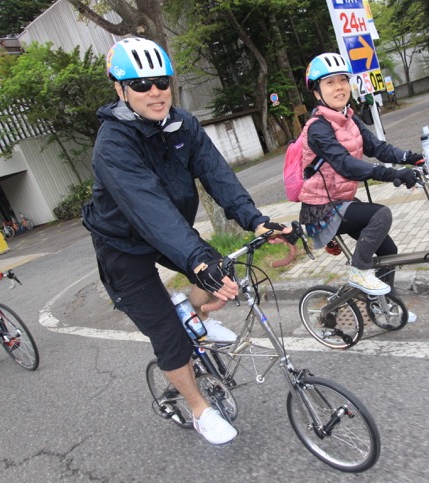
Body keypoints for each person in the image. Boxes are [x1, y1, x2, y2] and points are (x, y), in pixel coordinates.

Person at [81, 38, 286, 446]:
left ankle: (194, 313)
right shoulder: (112, 145)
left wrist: (256, 221)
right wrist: (195, 259)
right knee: (169, 337)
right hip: (123, 245)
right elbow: (148, 207)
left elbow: (217, 174)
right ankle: (199, 408)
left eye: (161, 81)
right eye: (140, 85)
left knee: (221, 271)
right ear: (119, 90)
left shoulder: (182, 124)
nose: (154, 91)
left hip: (167, 230)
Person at [298, 53, 424, 320]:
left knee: (388, 252)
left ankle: (383, 305)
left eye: (343, 80)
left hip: (343, 203)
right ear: (317, 93)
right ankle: (359, 270)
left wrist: (409, 157)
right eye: (329, 82)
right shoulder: (317, 129)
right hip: (321, 211)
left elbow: (376, 147)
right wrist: (391, 175)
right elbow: (345, 164)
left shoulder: (350, 118)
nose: (339, 87)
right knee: (381, 214)